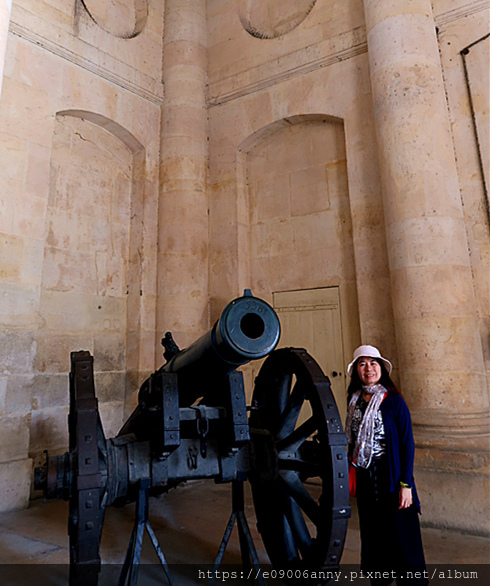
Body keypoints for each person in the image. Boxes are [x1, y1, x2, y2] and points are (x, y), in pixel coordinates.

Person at [345, 345, 428, 585]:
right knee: (374, 536)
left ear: (381, 368)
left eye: (373, 363)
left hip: (391, 478)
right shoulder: (353, 402)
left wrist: (406, 484)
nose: (368, 369)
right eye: (362, 364)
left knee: (401, 536)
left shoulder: (394, 402)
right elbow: (352, 442)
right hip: (366, 481)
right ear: (356, 371)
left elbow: (407, 446)